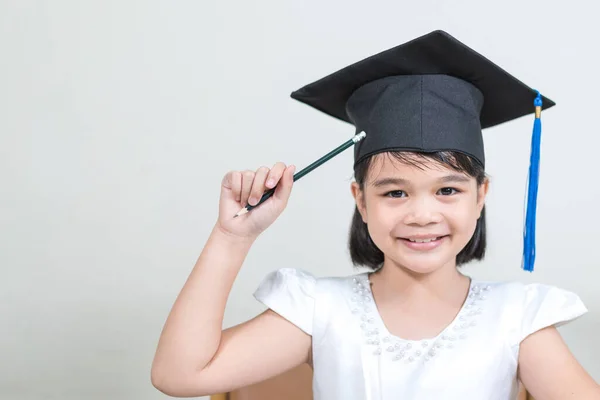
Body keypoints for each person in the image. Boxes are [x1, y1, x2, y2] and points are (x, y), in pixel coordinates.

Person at [151, 31, 599, 399]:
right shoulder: (321, 312)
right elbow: (180, 375)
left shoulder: (516, 319)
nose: (423, 214)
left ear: (480, 196)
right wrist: (232, 238)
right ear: (360, 200)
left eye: (448, 190)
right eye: (395, 192)